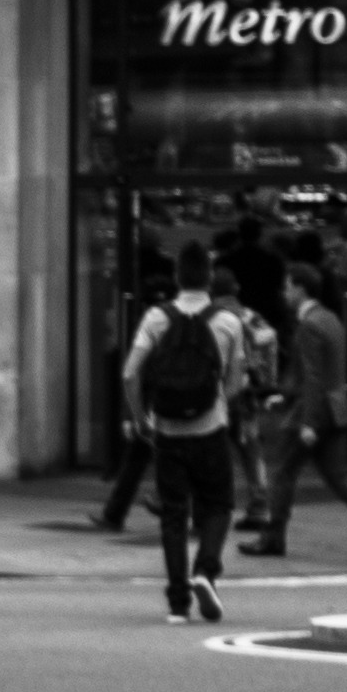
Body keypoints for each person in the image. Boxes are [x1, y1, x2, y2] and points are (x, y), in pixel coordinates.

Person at [121, 262, 248, 621]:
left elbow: (130, 373)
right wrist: (219, 400)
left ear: (178, 279)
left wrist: (141, 418)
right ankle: (205, 571)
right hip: (211, 430)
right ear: (209, 279)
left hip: (168, 432)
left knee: (173, 515)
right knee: (219, 504)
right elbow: (237, 384)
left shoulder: (156, 318)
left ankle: (178, 604)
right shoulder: (228, 322)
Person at [249, 263, 347, 563]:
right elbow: (321, 373)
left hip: (312, 412)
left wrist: (309, 422)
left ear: (301, 288)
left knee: (281, 473)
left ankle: (273, 538)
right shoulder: (330, 319)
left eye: (289, 287)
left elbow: (314, 377)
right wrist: (285, 394)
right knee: (340, 477)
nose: (285, 293)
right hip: (336, 409)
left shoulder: (309, 325)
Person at [97, 245, 172, 530]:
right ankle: (116, 511)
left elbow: (132, 372)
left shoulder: (151, 322)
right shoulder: (182, 319)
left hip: (156, 396)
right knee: (153, 454)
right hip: (170, 395)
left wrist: (136, 415)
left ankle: (117, 512)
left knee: (147, 455)